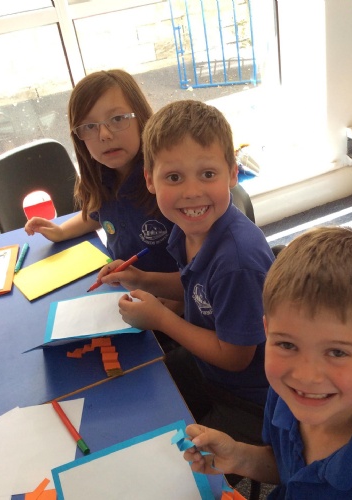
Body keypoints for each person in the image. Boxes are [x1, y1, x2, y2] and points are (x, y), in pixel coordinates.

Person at [182, 227, 352, 498]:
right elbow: (289, 470)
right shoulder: (286, 394)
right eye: (287, 345)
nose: (305, 376)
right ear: (267, 331)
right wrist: (240, 457)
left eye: (337, 352)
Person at [100, 100, 275, 446]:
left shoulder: (236, 262)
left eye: (207, 174)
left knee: (172, 451)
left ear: (233, 173)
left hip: (251, 401)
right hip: (208, 368)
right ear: (150, 180)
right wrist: (140, 278)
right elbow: (195, 287)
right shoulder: (188, 230)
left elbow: (235, 357)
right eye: (174, 177)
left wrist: (162, 319)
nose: (192, 192)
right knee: (130, 395)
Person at [24, 69, 178, 275]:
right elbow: (97, 214)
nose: (104, 135)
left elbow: (201, 270)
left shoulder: (168, 181)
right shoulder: (103, 177)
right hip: (125, 288)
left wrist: (148, 284)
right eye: (89, 126)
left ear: (141, 118)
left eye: (117, 118)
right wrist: (61, 231)